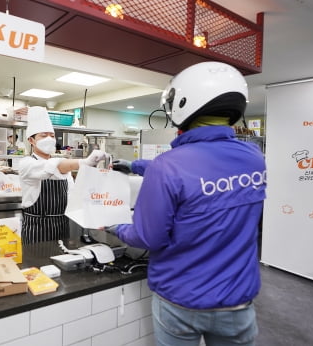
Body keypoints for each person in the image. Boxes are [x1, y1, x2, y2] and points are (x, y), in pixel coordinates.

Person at [108, 62, 267, 346]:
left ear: (183, 103)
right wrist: (135, 165)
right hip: (237, 298)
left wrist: (115, 227)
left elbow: (148, 237)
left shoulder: (168, 166)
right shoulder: (254, 157)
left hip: (181, 298)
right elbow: (198, 172)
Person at [19, 106, 108, 244]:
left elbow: (73, 196)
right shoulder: (27, 163)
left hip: (61, 226)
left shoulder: (64, 166)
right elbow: (55, 167)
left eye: (52, 135)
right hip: (36, 229)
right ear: (31, 140)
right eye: (43, 135)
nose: (49, 139)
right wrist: (85, 162)